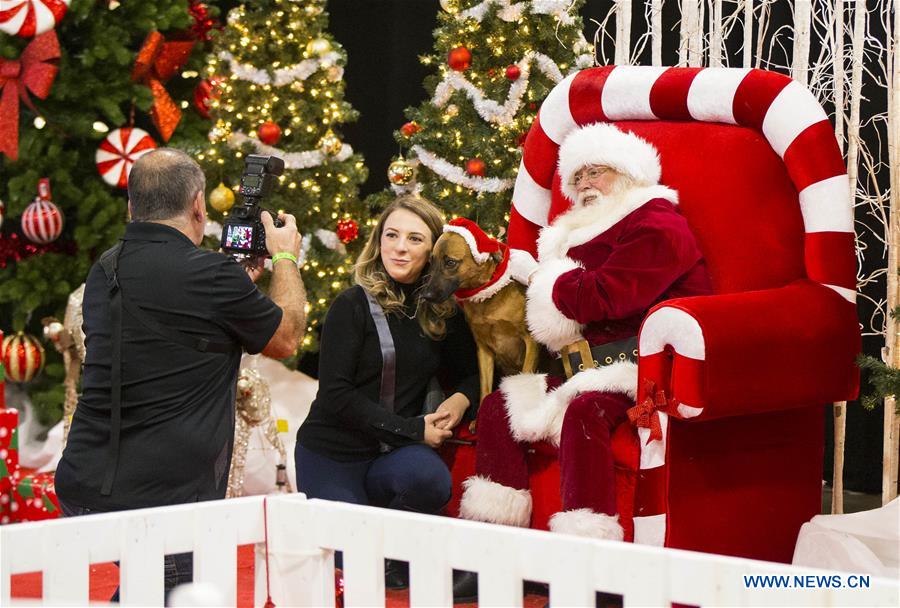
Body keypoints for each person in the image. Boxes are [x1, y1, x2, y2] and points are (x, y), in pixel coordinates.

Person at [55, 148, 306, 595]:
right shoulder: (211, 275)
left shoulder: (104, 268)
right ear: (198, 205)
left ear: (131, 206)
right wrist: (285, 257)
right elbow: (286, 338)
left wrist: (234, 288)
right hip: (161, 499)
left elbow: (164, 326)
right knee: (172, 593)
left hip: (84, 481)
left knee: (146, 590)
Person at [457, 122, 712, 552]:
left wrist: (541, 278)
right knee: (499, 405)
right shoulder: (588, 234)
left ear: (627, 172)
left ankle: (587, 551)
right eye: (577, 177)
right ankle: (493, 547)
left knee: (584, 410)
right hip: (589, 372)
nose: (584, 184)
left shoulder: (657, 222)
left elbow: (606, 296)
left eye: (596, 172)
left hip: (645, 373)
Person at [295, 194, 479, 589]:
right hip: (333, 454)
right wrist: (414, 430)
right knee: (357, 561)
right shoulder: (351, 305)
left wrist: (461, 398)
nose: (399, 247)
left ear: (433, 251)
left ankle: (395, 553)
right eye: (391, 235)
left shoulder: (442, 311)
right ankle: (383, 547)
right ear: (378, 240)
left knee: (431, 480)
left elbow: (474, 374)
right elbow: (336, 395)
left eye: (415, 238)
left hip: (389, 456)